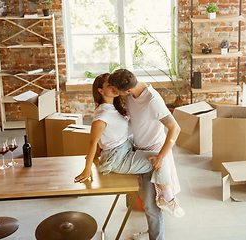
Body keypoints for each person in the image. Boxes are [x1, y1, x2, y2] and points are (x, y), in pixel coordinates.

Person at [74, 73, 184, 219]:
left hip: (124, 146)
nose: (114, 89)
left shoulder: (118, 105)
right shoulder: (102, 115)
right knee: (160, 162)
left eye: (114, 86)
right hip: (116, 156)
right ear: (100, 91)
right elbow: (92, 142)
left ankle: (162, 199)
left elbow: (174, 129)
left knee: (157, 155)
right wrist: (88, 168)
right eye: (109, 85)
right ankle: (168, 200)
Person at [109, 69, 182, 240]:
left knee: (151, 204)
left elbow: (175, 129)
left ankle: (156, 237)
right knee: (146, 200)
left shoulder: (152, 100)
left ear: (127, 90)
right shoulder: (130, 93)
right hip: (139, 149)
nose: (114, 92)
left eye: (116, 90)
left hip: (153, 154)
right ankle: (153, 231)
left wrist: (161, 156)